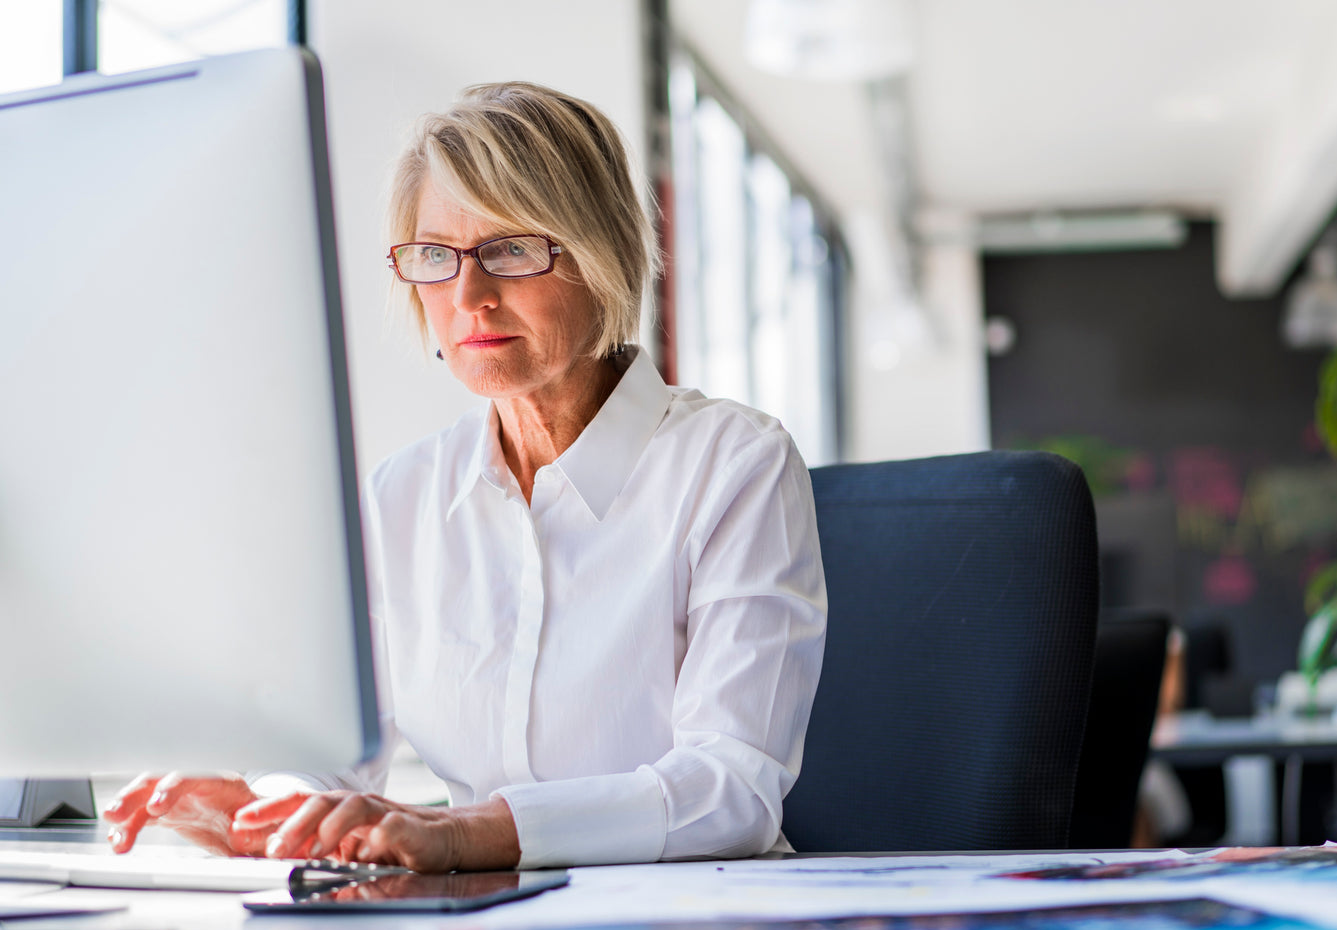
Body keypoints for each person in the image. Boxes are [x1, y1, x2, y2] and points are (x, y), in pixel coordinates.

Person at [103, 82, 827, 871]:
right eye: (435, 257)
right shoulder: (403, 494)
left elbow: (732, 790)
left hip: (690, 925)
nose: (469, 296)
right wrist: (271, 805)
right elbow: (332, 755)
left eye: (511, 250)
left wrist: (466, 832)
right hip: (476, 922)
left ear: (603, 253)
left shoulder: (735, 465)